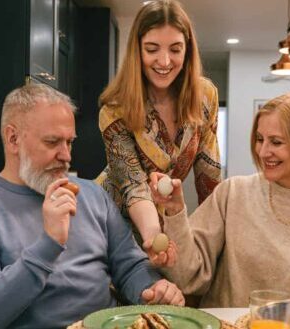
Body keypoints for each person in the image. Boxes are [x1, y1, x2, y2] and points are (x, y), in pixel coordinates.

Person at [0, 84, 185, 329]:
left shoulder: (92, 195)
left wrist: (152, 289)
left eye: (69, 142)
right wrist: (49, 244)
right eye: (52, 142)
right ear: (12, 138)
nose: (66, 155)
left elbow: (130, 266)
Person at [151, 92, 290, 307]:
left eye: (276, 142)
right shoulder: (232, 193)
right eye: (259, 139)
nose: (263, 152)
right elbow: (188, 278)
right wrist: (175, 210)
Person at [95, 0, 222, 261]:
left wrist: (214, 242)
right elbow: (134, 187)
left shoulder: (205, 97)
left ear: (187, 51)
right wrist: (154, 235)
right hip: (112, 221)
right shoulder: (114, 109)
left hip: (165, 221)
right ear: (137, 51)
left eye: (175, 49)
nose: (164, 61)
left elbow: (209, 177)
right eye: (152, 49)